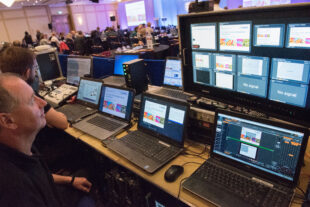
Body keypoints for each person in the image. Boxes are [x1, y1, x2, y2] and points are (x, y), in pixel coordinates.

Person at [0, 73, 93, 206]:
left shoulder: (23, 146)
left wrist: (70, 180)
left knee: (84, 173)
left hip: (50, 192)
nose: (43, 103)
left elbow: (39, 175)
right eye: (32, 100)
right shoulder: (15, 191)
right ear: (7, 121)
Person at [0, 46, 68, 129]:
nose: (35, 72)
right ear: (27, 72)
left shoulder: (3, 92)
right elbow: (62, 123)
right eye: (35, 68)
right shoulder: (27, 93)